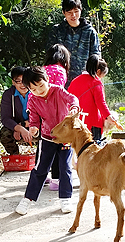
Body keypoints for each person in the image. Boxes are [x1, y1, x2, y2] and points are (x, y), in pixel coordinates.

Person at [15, 66, 79, 215]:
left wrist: (74, 107)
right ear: (29, 89)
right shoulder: (33, 101)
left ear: (47, 80)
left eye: (41, 85)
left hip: (65, 138)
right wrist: (34, 129)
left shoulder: (58, 91)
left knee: (65, 168)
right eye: (34, 89)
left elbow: (72, 98)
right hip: (47, 138)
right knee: (40, 169)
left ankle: (65, 198)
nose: (39, 90)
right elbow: (34, 120)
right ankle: (28, 199)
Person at [47, 0, 101, 89]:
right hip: (60, 80)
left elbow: (96, 57)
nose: (73, 15)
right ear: (64, 12)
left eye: (76, 11)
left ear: (81, 10)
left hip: (84, 80)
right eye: (69, 12)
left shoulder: (90, 31)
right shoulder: (57, 30)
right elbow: (49, 55)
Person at [68, 54, 118, 141]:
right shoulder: (96, 83)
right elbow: (101, 103)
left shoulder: (75, 81)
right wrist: (109, 117)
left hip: (76, 122)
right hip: (93, 124)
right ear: (98, 72)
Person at [43, 44, 71, 191]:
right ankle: (56, 180)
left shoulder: (42, 70)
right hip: (57, 113)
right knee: (60, 145)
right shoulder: (60, 70)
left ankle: (43, 174)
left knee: (45, 143)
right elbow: (58, 91)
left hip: (41, 112)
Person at [0, 66, 32, 155]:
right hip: (17, 126)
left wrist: (24, 124)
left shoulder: (36, 92)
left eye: (25, 81)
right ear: (13, 82)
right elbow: (5, 118)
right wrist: (18, 128)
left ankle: (43, 159)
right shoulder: (8, 94)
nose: (23, 85)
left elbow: (43, 116)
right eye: (18, 81)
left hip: (34, 125)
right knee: (4, 134)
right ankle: (15, 157)